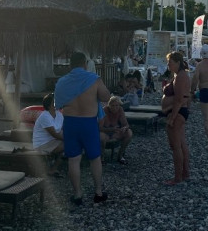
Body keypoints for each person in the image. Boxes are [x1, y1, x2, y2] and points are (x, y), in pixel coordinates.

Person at [55, 51, 111, 206]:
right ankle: (98, 192)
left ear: (70, 65)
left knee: (73, 159)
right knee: (95, 158)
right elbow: (106, 97)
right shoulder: (94, 79)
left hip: (71, 122)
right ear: (85, 64)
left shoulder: (61, 82)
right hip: (89, 123)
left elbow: (57, 104)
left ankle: (77, 194)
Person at [161, 51, 191, 185]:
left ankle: (178, 177)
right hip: (179, 112)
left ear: (178, 63)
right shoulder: (179, 75)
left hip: (177, 113)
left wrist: (172, 118)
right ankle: (185, 173)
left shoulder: (181, 76)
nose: (168, 65)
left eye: (170, 62)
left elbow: (179, 99)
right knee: (181, 144)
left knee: (176, 146)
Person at [32, 93, 64, 175]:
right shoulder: (45, 116)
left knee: (72, 144)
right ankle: (52, 169)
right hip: (42, 144)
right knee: (69, 144)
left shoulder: (59, 114)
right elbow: (54, 134)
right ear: (49, 105)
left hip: (53, 141)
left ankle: (54, 168)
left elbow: (63, 129)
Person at [99, 96, 133, 164]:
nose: (115, 108)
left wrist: (124, 128)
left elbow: (126, 124)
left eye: (116, 105)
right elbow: (99, 128)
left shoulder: (120, 110)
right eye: (112, 105)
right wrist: (111, 129)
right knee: (101, 137)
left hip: (115, 133)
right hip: (105, 132)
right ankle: (101, 157)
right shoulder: (104, 110)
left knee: (129, 133)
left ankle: (120, 155)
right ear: (109, 105)